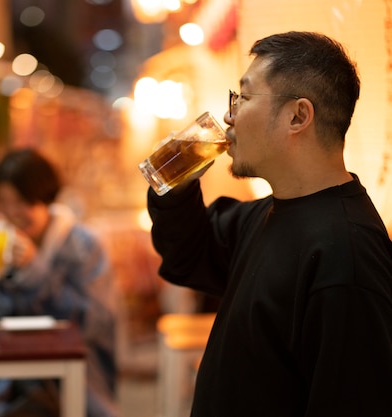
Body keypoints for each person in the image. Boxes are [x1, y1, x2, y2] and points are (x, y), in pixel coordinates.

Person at [147, 31, 392, 416]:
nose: (228, 115)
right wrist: (175, 184)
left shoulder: (347, 253)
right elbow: (188, 255)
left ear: (297, 116)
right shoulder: (267, 212)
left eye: (242, 97)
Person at [0, 148, 120, 417]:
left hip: (70, 384)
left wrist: (35, 273)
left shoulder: (83, 247)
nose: (13, 213)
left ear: (46, 200)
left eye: (23, 202)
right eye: (4, 203)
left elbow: (95, 323)